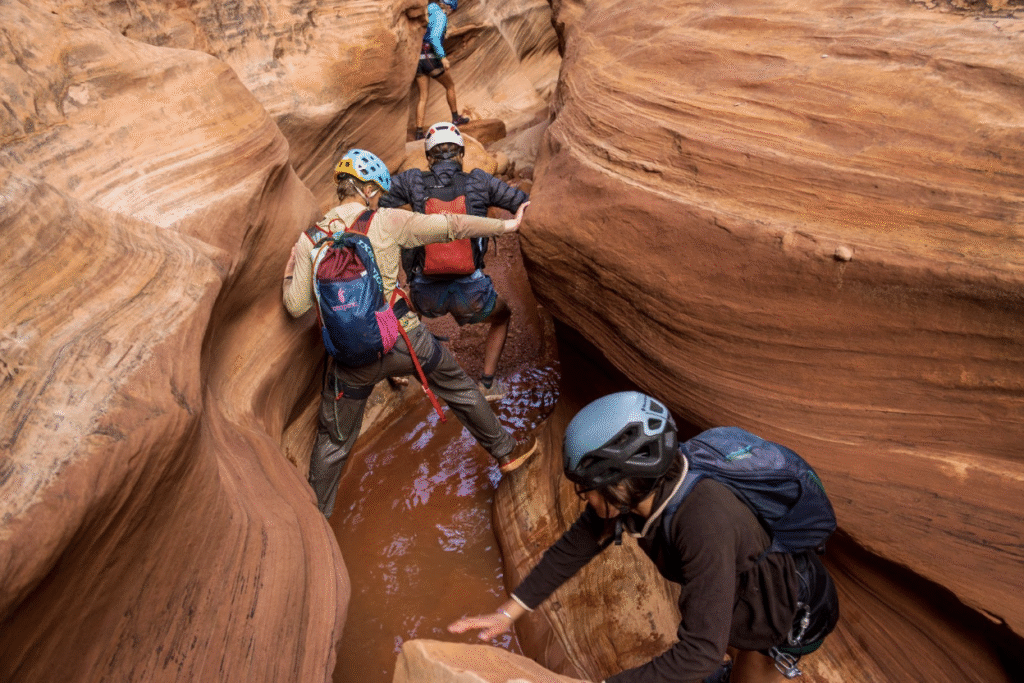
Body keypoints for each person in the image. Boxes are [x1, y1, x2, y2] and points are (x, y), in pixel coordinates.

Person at [449, 391, 840, 683]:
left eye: (587, 488)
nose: (584, 498)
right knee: (728, 639)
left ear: (622, 483)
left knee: (747, 666)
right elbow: (578, 544)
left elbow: (699, 653)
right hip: (743, 586)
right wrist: (508, 612)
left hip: (788, 612)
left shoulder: (703, 520)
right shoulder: (645, 487)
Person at [282, 148, 538, 518]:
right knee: (459, 390)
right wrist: (506, 227)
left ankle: (315, 520)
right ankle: (507, 453)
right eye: (377, 192)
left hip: (351, 361)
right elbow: (452, 226)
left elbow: (296, 306)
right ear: (370, 190)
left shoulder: (311, 239)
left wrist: (290, 272)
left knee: (334, 442)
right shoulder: (388, 220)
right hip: (406, 341)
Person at [380, 122, 529, 401]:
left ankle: (395, 367)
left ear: (429, 158)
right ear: (461, 154)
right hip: (471, 293)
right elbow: (522, 202)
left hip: (425, 293)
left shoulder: (412, 181)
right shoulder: (480, 181)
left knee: (404, 312)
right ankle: (487, 385)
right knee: (503, 316)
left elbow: (378, 200)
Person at [414, 0, 470, 141]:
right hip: (430, 57)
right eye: (452, 10)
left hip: (418, 58)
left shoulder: (429, 10)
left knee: (423, 96)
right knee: (450, 86)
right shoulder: (440, 15)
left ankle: (419, 132)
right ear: (449, 7)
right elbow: (434, 38)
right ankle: (456, 118)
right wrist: (443, 58)